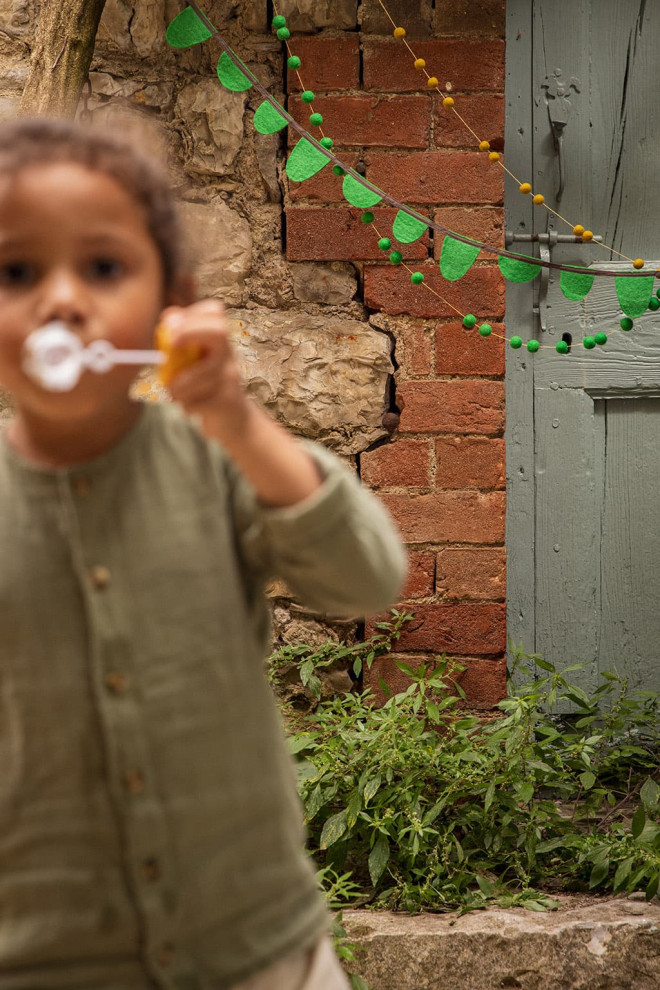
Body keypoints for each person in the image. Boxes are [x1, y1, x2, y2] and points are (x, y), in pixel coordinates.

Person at [0, 118, 407, 990]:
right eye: (16, 272)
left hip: (262, 955)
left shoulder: (220, 460)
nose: (62, 301)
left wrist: (238, 420)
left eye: (103, 268)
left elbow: (366, 576)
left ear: (169, 303)